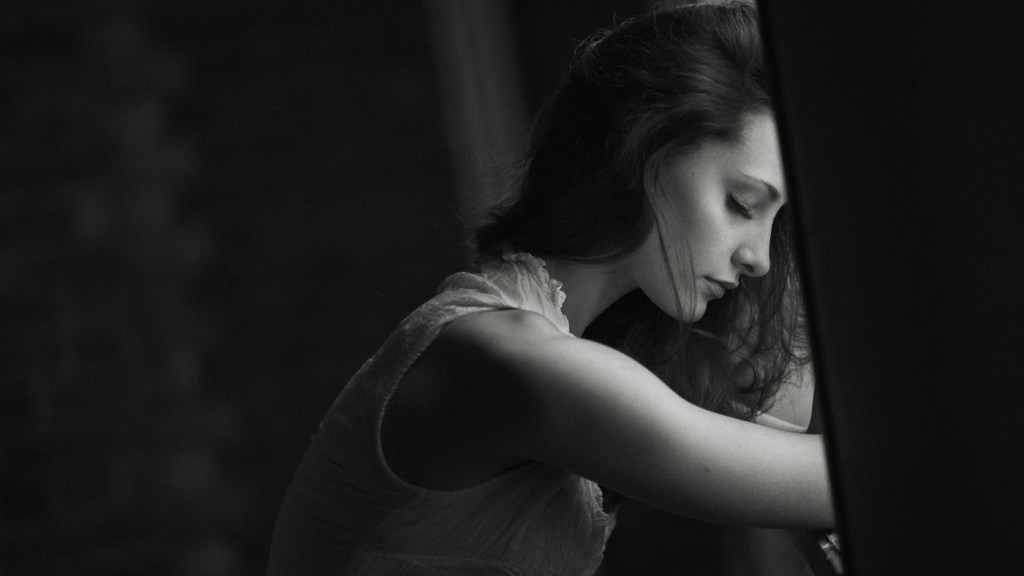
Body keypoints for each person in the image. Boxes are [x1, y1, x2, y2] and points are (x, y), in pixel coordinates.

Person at [268, 3, 833, 575]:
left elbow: (814, 454)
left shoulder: (575, 342)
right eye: (742, 204)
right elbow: (843, 478)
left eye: (775, 221)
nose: (760, 258)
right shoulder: (516, 362)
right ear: (642, 142)